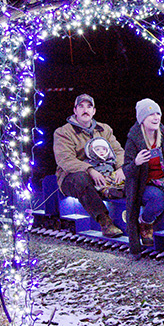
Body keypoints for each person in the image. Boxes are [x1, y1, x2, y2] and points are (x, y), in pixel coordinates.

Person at [53, 94, 125, 237]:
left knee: (133, 170)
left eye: (89, 106)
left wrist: (121, 168)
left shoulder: (104, 129)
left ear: (94, 111)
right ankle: (104, 221)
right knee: (81, 179)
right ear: (75, 110)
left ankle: (143, 218)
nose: (85, 110)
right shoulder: (63, 132)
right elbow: (65, 160)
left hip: (105, 173)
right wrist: (89, 170)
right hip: (73, 177)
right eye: (81, 106)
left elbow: (118, 151)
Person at [122, 98, 164, 253]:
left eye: (158, 113)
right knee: (157, 198)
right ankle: (144, 222)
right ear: (142, 119)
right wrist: (136, 162)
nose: (156, 117)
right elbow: (126, 170)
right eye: (151, 114)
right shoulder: (134, 141)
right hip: (143, 185)